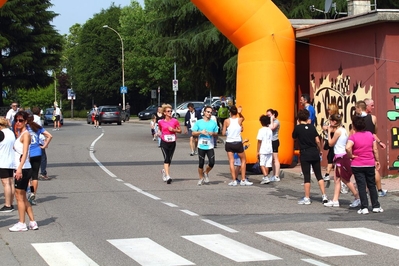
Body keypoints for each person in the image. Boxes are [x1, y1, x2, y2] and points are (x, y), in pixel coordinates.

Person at [346, 115, 383, 214]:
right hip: (369, 163)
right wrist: (377, 160)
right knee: (371, 184)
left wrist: (351, 156)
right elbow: (375, 149)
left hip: (357, 164)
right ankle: (376, 206)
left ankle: (364, 207)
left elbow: (347, 148)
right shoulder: (370, 135)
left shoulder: (353, 136)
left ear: (354, 126)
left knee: (361, 185)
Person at [9, 111, 38, 231]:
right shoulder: (20, 133)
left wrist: (19, 168)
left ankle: (21, 223)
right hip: (22, 167)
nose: (18, 122)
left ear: (26, 121)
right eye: (17, 120)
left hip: (23, 168)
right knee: (22, 196)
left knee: (19, 197)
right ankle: (32, 221)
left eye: (21, 120)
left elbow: (25, 152)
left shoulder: (26, 134)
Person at [323, 114, 360, 208]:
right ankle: (335, 200)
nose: (329, 123)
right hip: (339, 156)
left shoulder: (338, 131)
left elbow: (330, 144)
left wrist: (328, 132)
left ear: (334, 122)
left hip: (342, 156)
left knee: (345, 179)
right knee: (337, 179)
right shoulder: (343, 129)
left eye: (331, 121)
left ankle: (357, 197)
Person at [292, 109, 328, 205]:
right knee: (319, 175)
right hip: (314, 152)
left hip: (304, 153)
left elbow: (294, 137)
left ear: (299, 118)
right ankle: (324, 195)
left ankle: (307, 198)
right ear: (307, 117)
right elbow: (317, 140)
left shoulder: (298, 128)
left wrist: (297, 124)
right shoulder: (312, 127)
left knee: (307, 176)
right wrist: (320, 150)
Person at [27, 110, 52, 205]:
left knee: (27, 176)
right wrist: (45, 145)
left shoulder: (23, 128)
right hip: (37, 152)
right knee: (35, 176)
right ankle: (33, 194)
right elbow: (49, 136)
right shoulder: (37, 127)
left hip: (27, 154)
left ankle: (29, 191)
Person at [222, 105, 253, 186]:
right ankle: (243, 179)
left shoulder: (226, 121)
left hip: (229, 142)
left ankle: (233, 180)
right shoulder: (239, 120)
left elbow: (223, 133)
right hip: (238, 142)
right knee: (243, 160)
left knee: (231, 162)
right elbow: (243, 118)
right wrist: (240, 113)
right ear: (236, 112)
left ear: (230, 112)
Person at [364, 98, 387, 197]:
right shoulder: (373, 118)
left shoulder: (356, 118)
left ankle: (364, 190)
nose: (373, 107)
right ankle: (379, 190)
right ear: (366, 106)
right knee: (374, 168)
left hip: (360, 146)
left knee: (362, 168)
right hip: (369, 145)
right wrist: (378, 142)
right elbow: (373, 133)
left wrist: (380, 141)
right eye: (372, 105)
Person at [191, 105, 219, 185]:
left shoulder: (213, 123)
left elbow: (216, 133)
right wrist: (200, 132)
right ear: (204, 112)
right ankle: (201, 178)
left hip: (210, 146)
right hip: (201, 146)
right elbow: (193, 132)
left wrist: (212, 133)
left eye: (211, 112)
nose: (209, 113)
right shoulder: (199, 122)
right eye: (208, 112)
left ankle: (206, 172)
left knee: (212, 162)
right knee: (201, 163)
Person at [158, 104, 182, 184]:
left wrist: (174, 130)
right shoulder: (161, 122)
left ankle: (164, 171)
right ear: (164, 113)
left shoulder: (175, 121)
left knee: (170, 159)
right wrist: (159, 133)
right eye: (168, 111)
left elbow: (180, 131)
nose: (170, 112)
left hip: (172, 142)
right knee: (166, 158)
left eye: (171, 111)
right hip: (164, 142)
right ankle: (168, 176)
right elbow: (160, 129)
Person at [0, 117, 16, 212]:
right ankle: (11, 202)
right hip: (11, 160)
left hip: (3, 161)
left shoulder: (1, 133)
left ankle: (7, 205)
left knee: (5, 183)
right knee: (10, 182)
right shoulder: (10, 132)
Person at [321, 103, 339, 182]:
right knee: (330, 157)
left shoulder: (337, 117)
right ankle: (328, 174)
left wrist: (328, 128)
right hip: (329, 138)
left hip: (334, 140)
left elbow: (334, 128)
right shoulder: (329, 118)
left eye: (329, 109)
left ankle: (328, 174)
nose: (328, 110)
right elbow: (325, 126)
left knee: (332, 157)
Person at [266, 108, 282, 182]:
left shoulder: (276, 121)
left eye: (269, 115)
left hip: (274, 141)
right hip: (269, 141)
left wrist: (271, 119)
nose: (268, 117)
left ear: (273, 115)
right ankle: (273, 174)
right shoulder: (269, 122)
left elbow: (272, 128)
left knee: (275, 159)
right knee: (272, 159)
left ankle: (277, 175)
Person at [257, 115, 273, 185]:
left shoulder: (261, 130)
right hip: (269, 148)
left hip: (263, 148)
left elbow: (259, 141)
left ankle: (265, 176)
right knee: (267, 164)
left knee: (262, 163)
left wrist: (258, 151)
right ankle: (265, 176)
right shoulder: (270, 130)